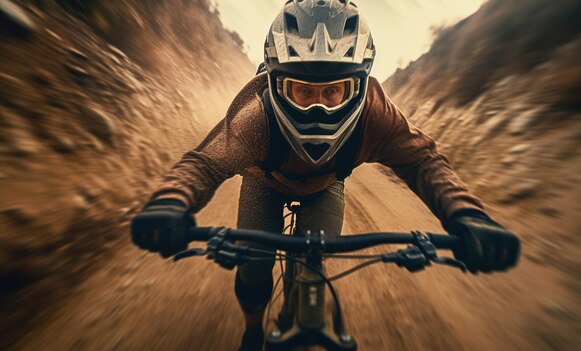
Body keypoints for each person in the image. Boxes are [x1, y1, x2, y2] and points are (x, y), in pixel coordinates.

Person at [130, 1, 521, 350]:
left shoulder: (377, 113)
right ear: (276, 85)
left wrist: (467, 214)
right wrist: (170, 201)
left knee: (313, 269)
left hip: (324, 187)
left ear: (359, 85)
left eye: (334, 91)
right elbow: (204, 163)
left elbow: (423, 162)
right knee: (253, 269)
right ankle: (252, 330)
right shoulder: (255, 114)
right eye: (303, 91)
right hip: (263, 183)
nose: (319, 105)